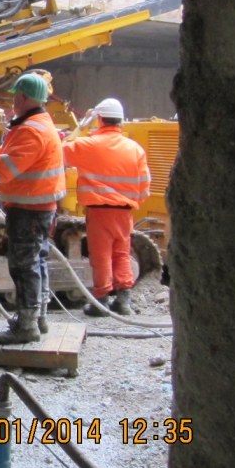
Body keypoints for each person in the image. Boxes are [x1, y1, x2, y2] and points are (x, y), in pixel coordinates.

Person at [0, 73, 66, 344]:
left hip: (29, 208)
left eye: (16, 96)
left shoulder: (31, 130)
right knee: (36, 261)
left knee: (24, 266)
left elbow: (6, 168)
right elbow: (3, 152)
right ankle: (38, 318)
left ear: (24, 97)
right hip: (36, 206)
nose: (13, 101)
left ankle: (26, 326)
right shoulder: (35, 124)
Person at [62, 98, 151, 316]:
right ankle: (123, 302)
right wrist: (131, 203)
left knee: (101, 256)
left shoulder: (87, 145)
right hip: (125, 212)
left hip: (100, 211)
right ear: (121, 121)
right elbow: (145, 186)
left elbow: (60, 151)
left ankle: (100, 302)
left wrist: (82, 126)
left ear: (99, 119)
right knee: (121, 254)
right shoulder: (135, 149)